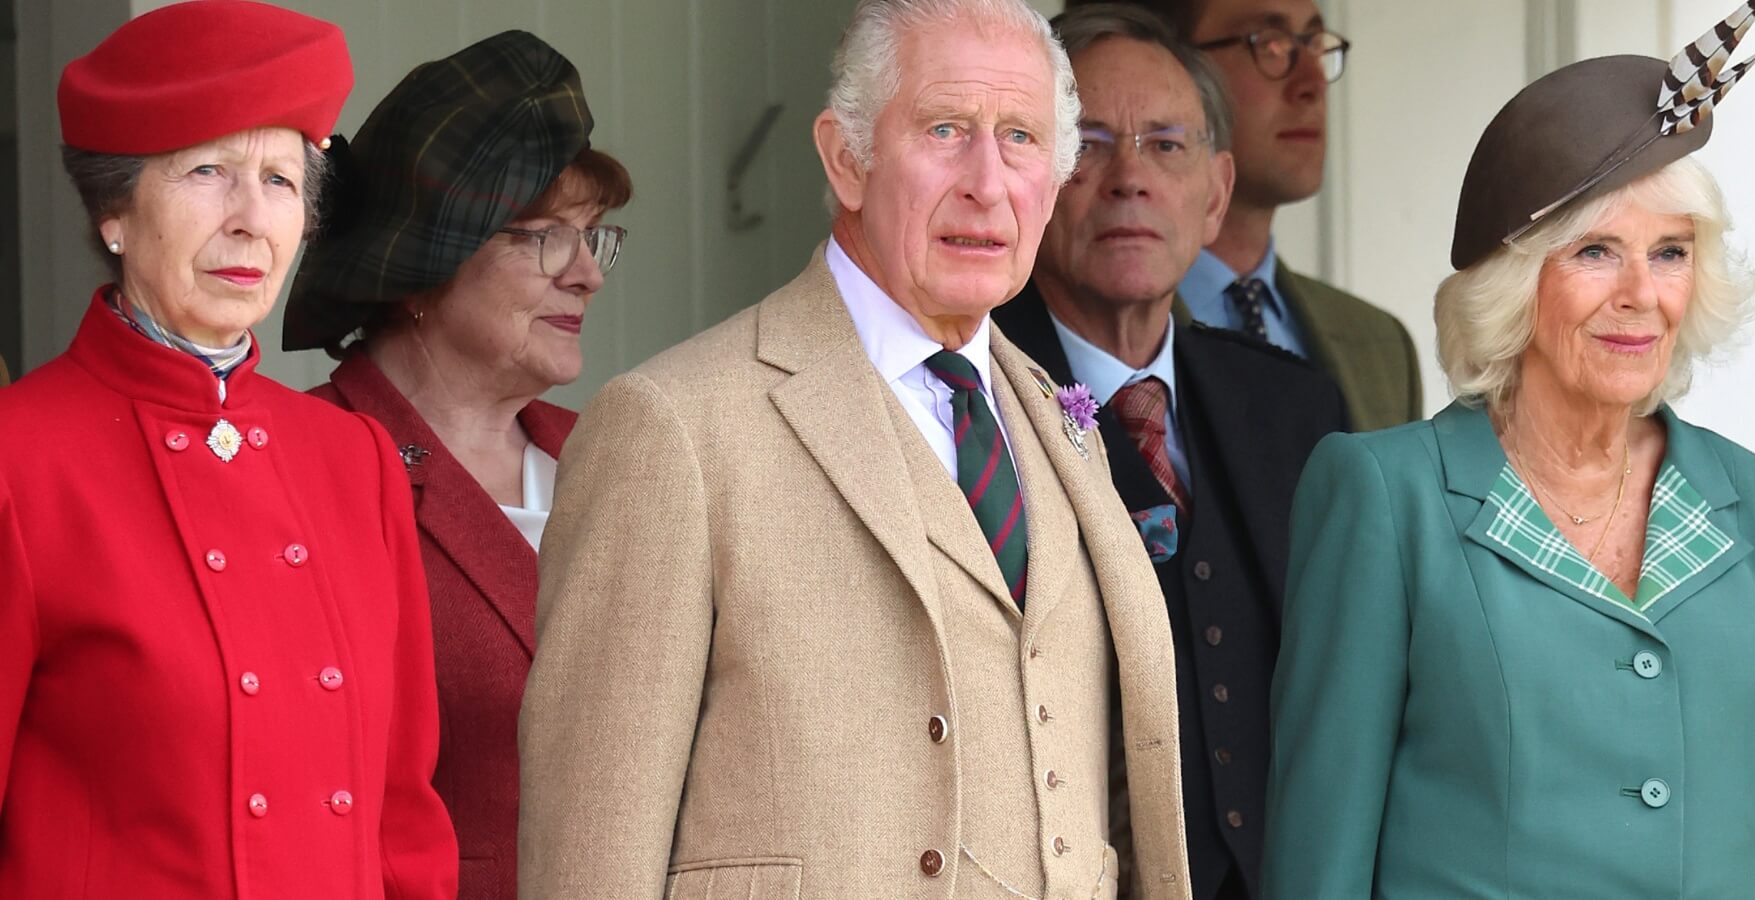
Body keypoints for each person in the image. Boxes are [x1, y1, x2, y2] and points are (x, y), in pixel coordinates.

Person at [517, 0, 1192, 897]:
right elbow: (590, 862)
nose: (987, 183)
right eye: (946, 129)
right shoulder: (671, 427)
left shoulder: (1059, 417)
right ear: (846, 159)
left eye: (1021, 138)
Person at [1263, 7, 1755, 896]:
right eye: (1595, 251)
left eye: (1669, 253)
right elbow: (1321, 861)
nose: (1641, 295)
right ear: (1515, 282)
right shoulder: (1386, 497)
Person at [0, 2, 458, 897]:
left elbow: (402, 815)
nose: (253, 219)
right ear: (114, 213)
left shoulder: (354, 458)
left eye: (281, 180)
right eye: (208, 170)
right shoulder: (20, 460)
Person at [993, 6, 1344, 898]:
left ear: (1216, 193)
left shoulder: (1295, 406)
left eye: (1166, 146)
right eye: (1091, 143)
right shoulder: (966, 404)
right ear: (1028, 178)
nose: (1130, 180)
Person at [281, 32, 630, 899]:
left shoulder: (614, 452)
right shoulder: (303, 467)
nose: (587, 274)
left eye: (592, 237)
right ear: (421, 268)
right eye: (546, 237)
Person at [1069, 0, 1420, 432]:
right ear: (1166, 54)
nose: (1312, 82)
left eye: (1313, 44)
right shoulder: (1039, 330)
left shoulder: (1380, 344)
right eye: (1267, 45)